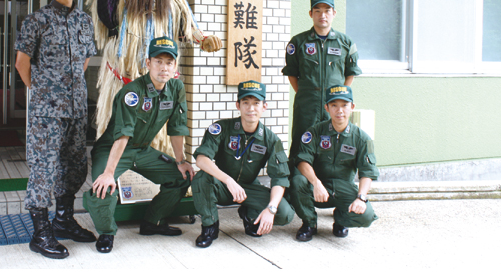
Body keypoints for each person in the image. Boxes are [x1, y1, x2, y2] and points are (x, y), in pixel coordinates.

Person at [84, 0, 221, 154]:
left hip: (160, 92)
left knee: (160, 149)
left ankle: (163, 182)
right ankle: (115, 184)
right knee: (120, 144)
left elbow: (187, 29)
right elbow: (106, 7)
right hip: (124, 86)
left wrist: (204, 40)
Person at [14, 0, 98, 259]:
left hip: (76, 110)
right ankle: (40, 232)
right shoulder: (37, 20)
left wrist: (70, 86)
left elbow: (86, 59)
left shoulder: (83, 20)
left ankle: (63, 220)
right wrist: (39, 91)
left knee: (74, 167)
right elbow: (22, 63)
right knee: (43, 170)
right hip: (47, 113)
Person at [85, 36, 195, 254]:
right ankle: (107, 232)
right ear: (148, 63)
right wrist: (109, 172)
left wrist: (181, 161)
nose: (164, 68)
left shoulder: (176, 88)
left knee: (182, 177)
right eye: (158, 61)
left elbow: (177, 127)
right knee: (103, 187)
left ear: (175, 65)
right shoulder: (133, 93)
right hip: (114, 149)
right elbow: (123, 135)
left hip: (142, 150)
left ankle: (152, 222)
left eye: (169, 62)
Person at [191, 80, 294, 248]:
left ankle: (250, 214)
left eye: (256, 103)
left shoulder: (271, 139)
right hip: (223, 186)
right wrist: (228, 181)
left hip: (248, 188)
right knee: (202, 178)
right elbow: (202, 159)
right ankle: (210, 226)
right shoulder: (221, 128)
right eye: (246, 103)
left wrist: (271, 209)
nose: (251, 108)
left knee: (284, 213)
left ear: (264, 107)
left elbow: (280, 178)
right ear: (238, 105)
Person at [290, 85, 378, 242]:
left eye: (344, 105)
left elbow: (368, 172)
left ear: (352, 107)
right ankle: (309, 223)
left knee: (367, 216)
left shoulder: (362, 139)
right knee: (297, 181)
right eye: (334, 105)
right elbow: (302, 161)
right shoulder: (314, 132)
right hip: (317, 187)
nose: (340, 111)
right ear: (327, 108)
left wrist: (361, 198)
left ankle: (341, 220)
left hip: (343, 188)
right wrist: (316, 183)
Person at [282, 0, 362, 164]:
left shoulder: (345, 43)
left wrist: (339, 97)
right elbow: (292, 73)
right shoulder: (298, 42)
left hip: (334, 105)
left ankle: (328, 183)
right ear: (311, 14)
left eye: (327, 10)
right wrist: (307, 92)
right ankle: (297, 183)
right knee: (302, 140)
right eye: (317, 10)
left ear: (334, 13)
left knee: (332, 142)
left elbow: (350, 73)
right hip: (307, 104)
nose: (322, 15)